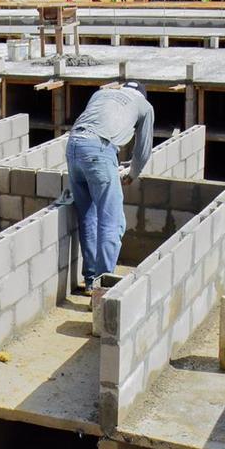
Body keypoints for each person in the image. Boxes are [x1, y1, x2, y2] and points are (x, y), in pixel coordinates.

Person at [66, 82, 154, 292]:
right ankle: (102, 290)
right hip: (99, 149)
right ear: (141, 94)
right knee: (112, 223)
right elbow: (142, 151)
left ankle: (89, 281)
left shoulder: (100, 94)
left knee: (88, 216)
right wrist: (132, 174)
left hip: (73, 146)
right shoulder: (144, 106)